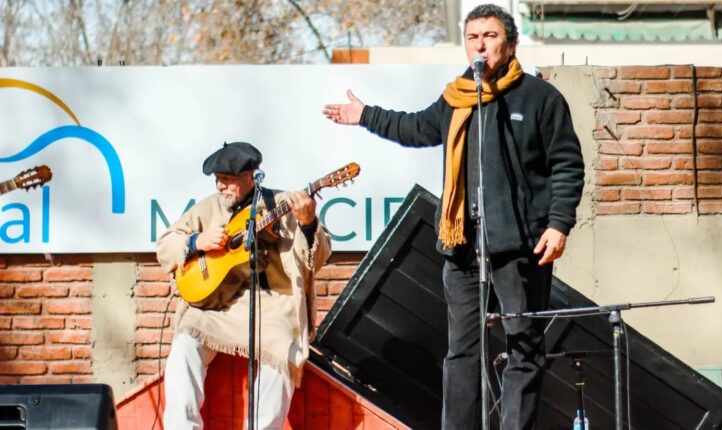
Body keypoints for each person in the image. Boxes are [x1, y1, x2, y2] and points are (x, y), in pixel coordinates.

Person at [323, 4, 584, 429]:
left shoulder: (540, 97)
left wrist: (558, 224)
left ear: (511, 45)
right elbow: (416, 128)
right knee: (462, 352)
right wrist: (365, 115)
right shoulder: (456, 97)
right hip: (463, 247)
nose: (480, 45)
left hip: (522, 245)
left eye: (490, 36)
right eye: (472, 37)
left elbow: (567, 165)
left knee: (524, 347)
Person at [156, 141, 332, 429]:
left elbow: (317, 257)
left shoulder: (281, 203)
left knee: (282, 349)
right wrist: (197, 241)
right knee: (185, 344)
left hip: (271, 304)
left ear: (250, 177)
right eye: (218, 179)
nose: (220, 186)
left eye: (227, 179)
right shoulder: (209, 207)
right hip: (218, 306)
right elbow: (165, 244)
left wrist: (308, 223)